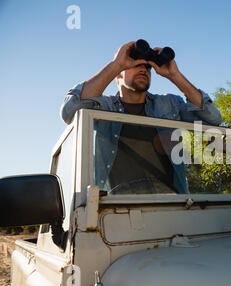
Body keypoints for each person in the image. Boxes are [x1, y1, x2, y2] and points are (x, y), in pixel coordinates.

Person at [60, 41, 221, 194]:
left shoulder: (169, 104)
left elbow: (212, 119)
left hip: (171, 203)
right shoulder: (105, 107)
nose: (144, 70)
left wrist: (175, 75)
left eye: (148, 67)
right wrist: (116, 65)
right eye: (136, 65)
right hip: (116, 207)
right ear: (118, 76)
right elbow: (70, 112)